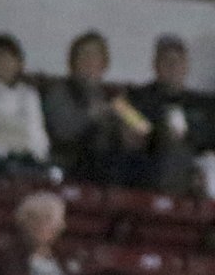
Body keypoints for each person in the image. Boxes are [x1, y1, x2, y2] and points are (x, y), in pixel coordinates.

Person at [43, 31, 150, 185]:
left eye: (95, 56)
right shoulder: (60, 91)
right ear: (73, 61)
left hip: (113, 163)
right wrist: (91, 115)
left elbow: (142, 129)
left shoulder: (113, 96)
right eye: (84, 55)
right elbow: (62, 130)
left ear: (104, 63)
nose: (89, 61)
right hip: (74, 160)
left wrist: (128, 129)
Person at [130, 35, 199, 193]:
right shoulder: (136, 97)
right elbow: (138, 132)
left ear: (186, 66)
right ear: (155, 65)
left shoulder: (201, 104)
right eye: (166, 61)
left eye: (178, 61)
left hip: (194, 168)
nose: (172, 66)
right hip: (148, 163)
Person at [0, 34, 51, 172]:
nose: (4, 64)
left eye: (9, 58)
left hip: (29, 157)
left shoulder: (29, 94)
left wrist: (40, 155)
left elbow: (36, 128)